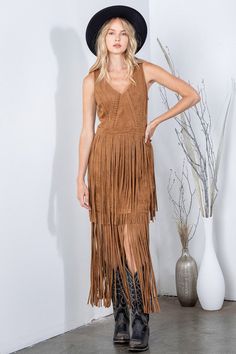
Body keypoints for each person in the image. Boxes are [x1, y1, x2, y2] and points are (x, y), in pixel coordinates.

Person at [77, 5, 200, 352]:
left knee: (132, 242)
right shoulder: (91, 79)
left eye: (123, 32)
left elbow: (191, 94)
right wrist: (79, 178)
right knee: (110, 240)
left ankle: (140, 319)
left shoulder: (145, 71)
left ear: (131, 39)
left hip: (135, 163)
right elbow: (86, 132)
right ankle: (120, 318)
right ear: (103, 40)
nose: (117, 38)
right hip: (103, 163)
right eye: (111, 33)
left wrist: (156, 121)